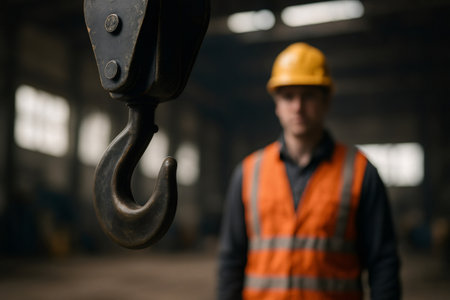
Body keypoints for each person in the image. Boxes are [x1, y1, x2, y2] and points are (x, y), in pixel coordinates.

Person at [217, 42, 401, 300]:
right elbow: (231, 262)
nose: (298, 107)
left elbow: (383, 263)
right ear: (276, 104)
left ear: (326, 100)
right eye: (288, 96)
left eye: (308, 95)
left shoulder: (361, 172)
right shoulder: (249, 173)